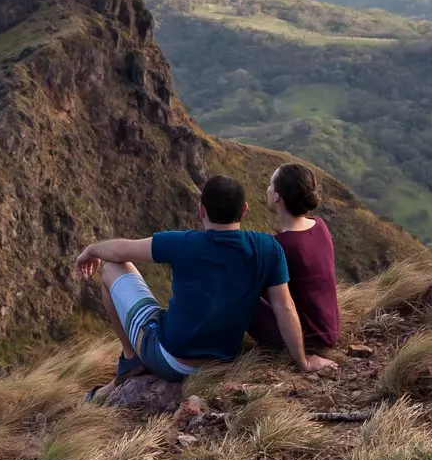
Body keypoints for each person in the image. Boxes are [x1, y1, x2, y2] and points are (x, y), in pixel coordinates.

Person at [73, 174, 337, 388]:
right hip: (224, 359)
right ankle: (137, 359)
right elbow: (285, 308)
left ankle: (131, 359)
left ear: (202, 211)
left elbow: (120, 251)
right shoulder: (268, 248)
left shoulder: (181, 242)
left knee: (111, 269)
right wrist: (302, 362)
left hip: (171, 360)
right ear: (244, 210)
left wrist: (92, 250)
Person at [250, 162, 343, 357]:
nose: (267, 189)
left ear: (277, 196)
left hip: (307, 340)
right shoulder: (319, 226)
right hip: (328, 329)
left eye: (270, 184)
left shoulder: (280, 247)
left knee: (240, 290)